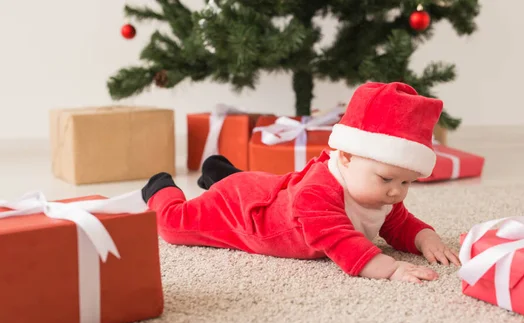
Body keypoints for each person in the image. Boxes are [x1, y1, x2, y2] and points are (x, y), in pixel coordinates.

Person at [142, 81, 460, 282]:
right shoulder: (318, 194)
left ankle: (222, 172)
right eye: (388, 179)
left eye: (406, 183)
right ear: (346, 157)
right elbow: (341, 242)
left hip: (270, 189)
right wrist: (390, 268)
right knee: (172, 225)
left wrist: (424, 238)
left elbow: (398, 223)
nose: (396, 192)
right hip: (248, 216)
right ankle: (161, 186)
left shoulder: (379, 190)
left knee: (267, 184)